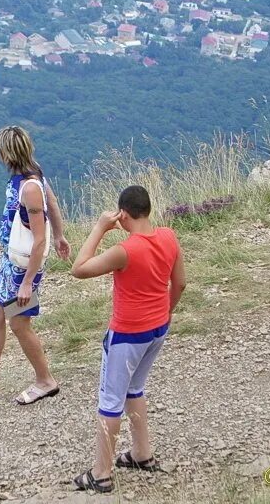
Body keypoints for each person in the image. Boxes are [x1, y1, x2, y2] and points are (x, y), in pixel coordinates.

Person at [70, 185, 185, 494]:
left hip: (126, 334)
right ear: (148, 209)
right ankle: (141, 453)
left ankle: (102, 473)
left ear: (122, 214)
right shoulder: (169, 237)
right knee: (135, 388)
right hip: (158, 329)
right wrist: (166, 310)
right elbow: (181, 283)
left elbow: (78, 269)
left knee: (110, 400)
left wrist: (99, 228)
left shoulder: (125, 250)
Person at [0, 126, 70, 405]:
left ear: (7, 153)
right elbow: (52, 201)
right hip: (10, 263)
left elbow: (38, 239)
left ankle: (46, 381)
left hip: (21, 267)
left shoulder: (29, 187)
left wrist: (28, 281)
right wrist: (61, 234)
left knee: (19, 324)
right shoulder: (34, 172)